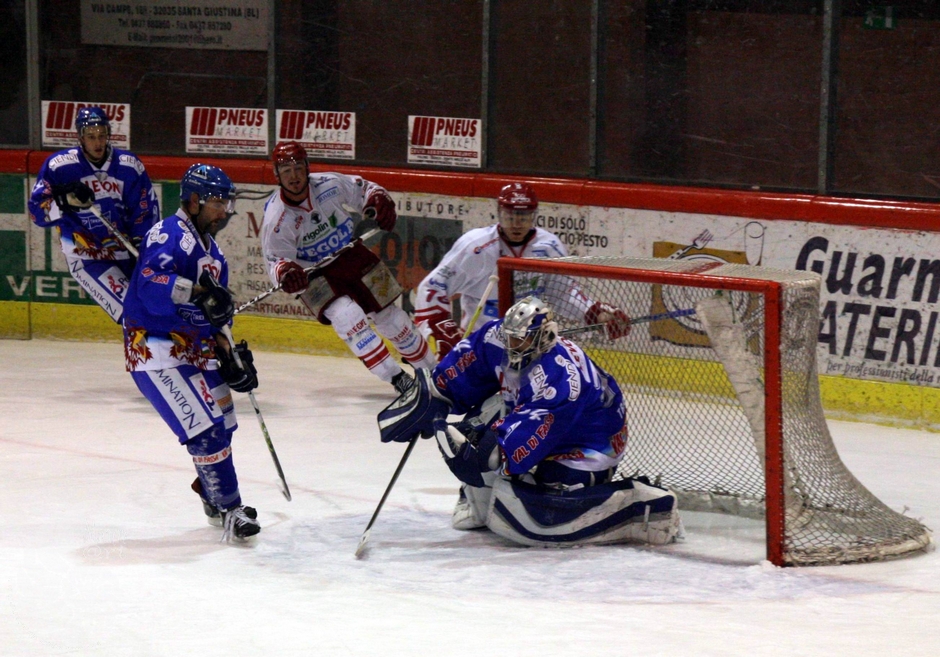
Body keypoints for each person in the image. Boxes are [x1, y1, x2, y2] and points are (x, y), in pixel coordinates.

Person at [378, 296, 681, 547]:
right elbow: (460, 373)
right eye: (511, 337)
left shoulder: (560, 379)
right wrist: (434, 396)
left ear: (544, 337)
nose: (512, 345)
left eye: (521, 341)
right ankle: (478, 500)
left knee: (538, 519)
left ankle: (638, 504)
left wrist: (480, 451)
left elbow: (517, 443)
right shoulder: (498, 336)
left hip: (591, 442)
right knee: (484, 428)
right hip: (545, 417)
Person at [122, 163, 261, 541]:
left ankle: (211, 492)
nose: (225, 211)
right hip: (154, 347)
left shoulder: (215, 255)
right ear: (194, 200)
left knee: (226, 424)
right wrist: (198, 293)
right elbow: (151, 288)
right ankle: (231, 510)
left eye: (228, 202)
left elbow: (216, 320)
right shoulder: (167, 233)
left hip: (195, 349)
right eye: (218, 202)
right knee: (207, 431)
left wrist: (230, 355)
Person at [260, 141, 437, 393]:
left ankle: (433, 371)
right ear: (277, 175)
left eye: (298, 168)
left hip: (351, 254)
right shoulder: (276, 219)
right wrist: (286, 273)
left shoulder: (329, 184)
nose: (294, 176)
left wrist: (378, 201)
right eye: (286, 171)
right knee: (348, 317)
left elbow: (366, 190)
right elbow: (274, 260)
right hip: (314, 274)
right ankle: (398, 379)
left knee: (392, 318)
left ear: (307, 167)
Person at [414, 182, 631, 359]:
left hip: (529, 346)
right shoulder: (476, 247)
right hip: (480, 347)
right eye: (510, 216)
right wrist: (441, 329)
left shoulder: (549, 247)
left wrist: (595, 313)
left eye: (523, 217)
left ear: (533, 216)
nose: (516, 223)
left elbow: (562, 292)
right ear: (499, 214)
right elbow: (432, 287)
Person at [27, 106, 160, 324]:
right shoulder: (59, 167)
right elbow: (36, 213)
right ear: (80, 137)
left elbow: (144, 211)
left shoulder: (129, 166)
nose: (98, 142)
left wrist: (143, 246)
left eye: (101, 135)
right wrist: (65, 201)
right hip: (88, 256)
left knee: (157, 312)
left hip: (129, 253)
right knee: (133, 315)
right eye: (91, 137)